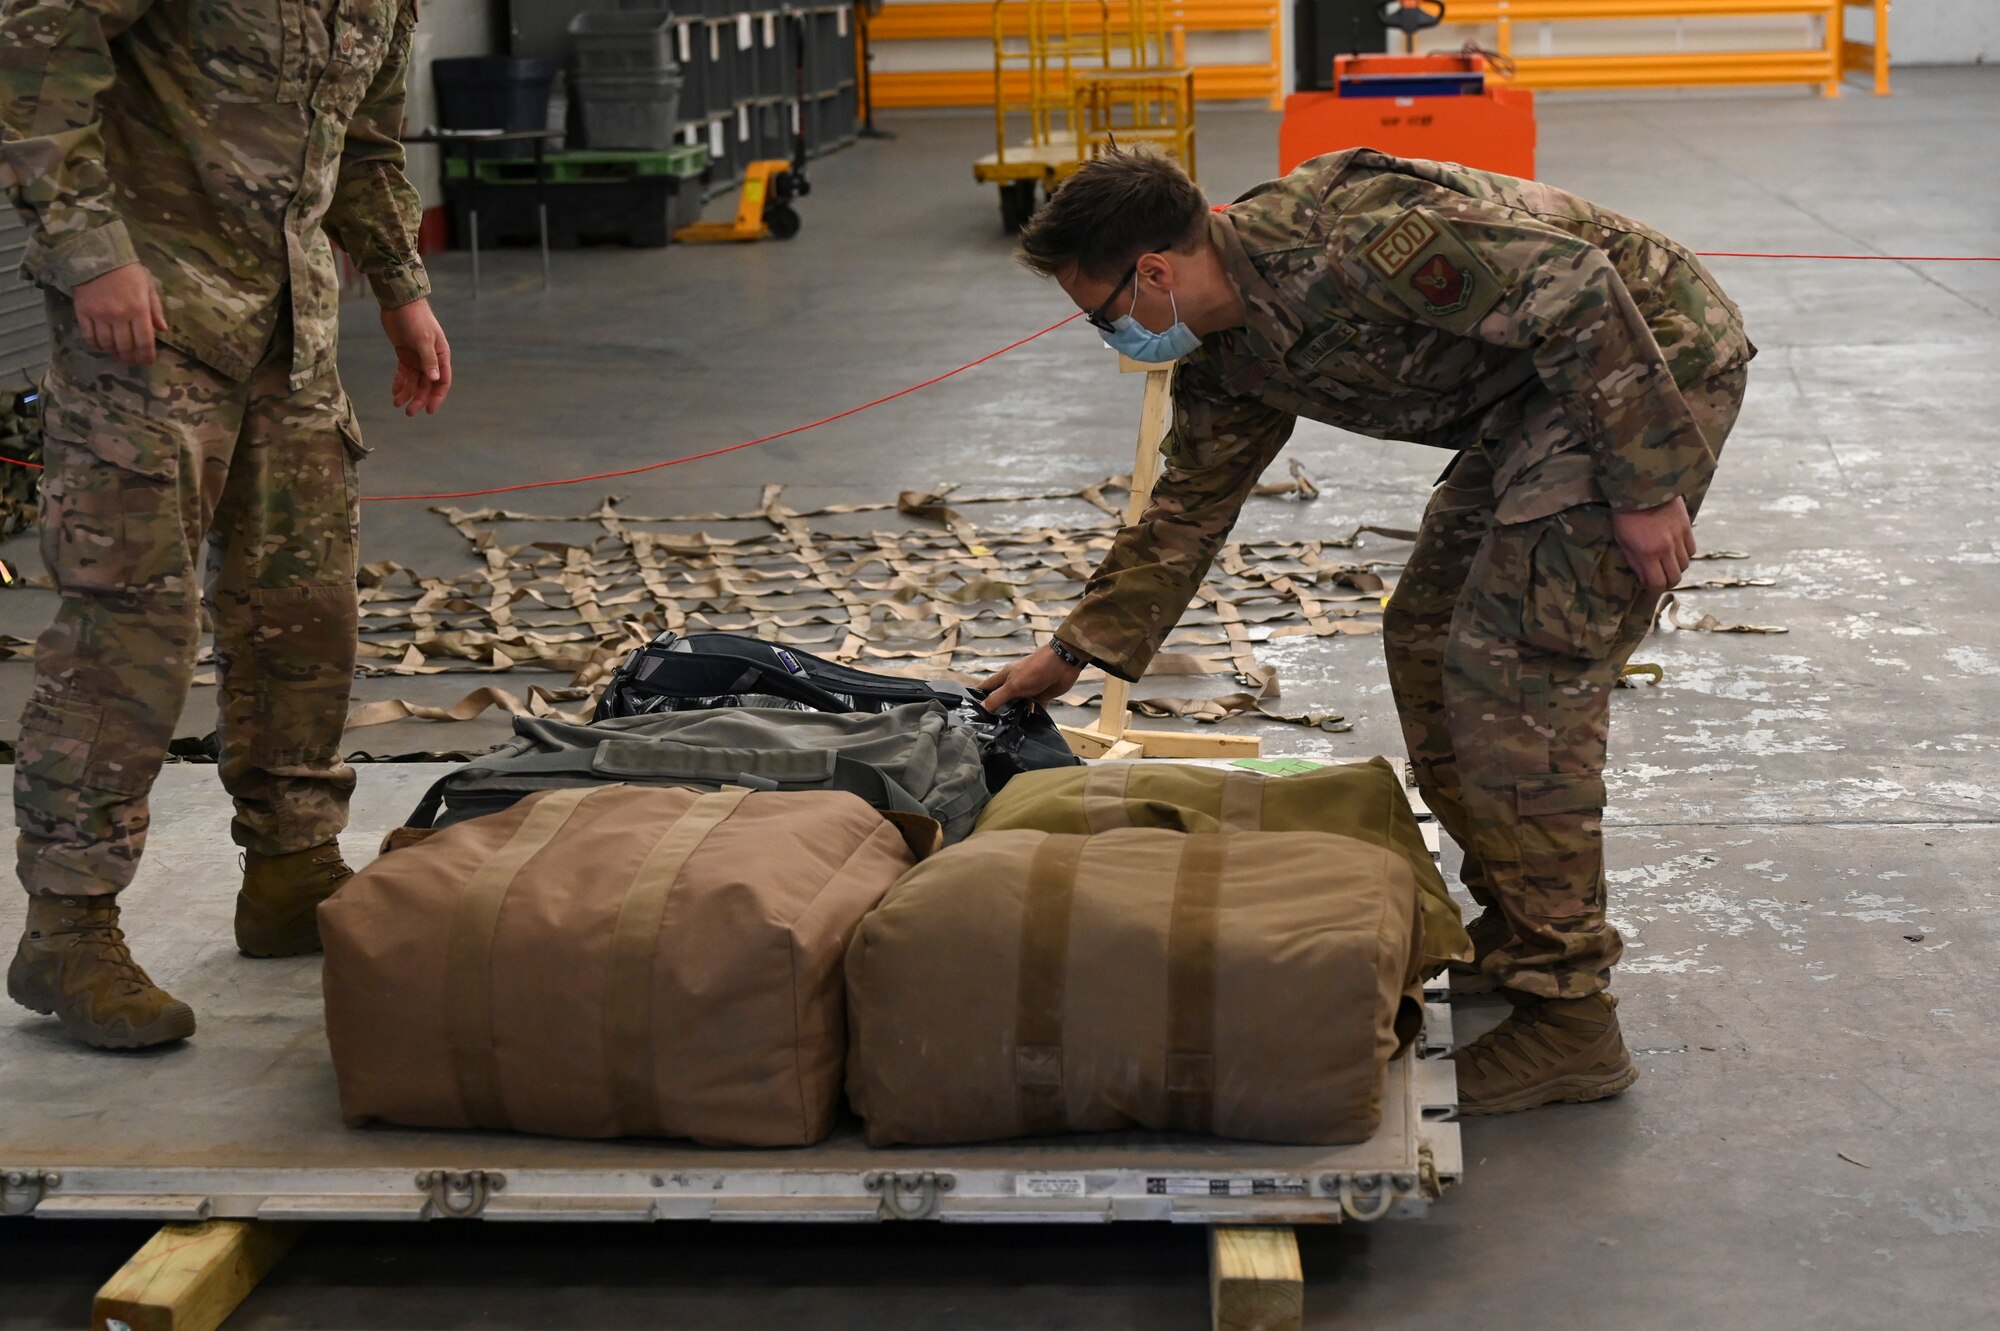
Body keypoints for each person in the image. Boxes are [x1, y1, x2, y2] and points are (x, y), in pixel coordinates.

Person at [982, 147, 1753, 1115]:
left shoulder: (1348, 243)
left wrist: (1641, 486)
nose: (1106, 337)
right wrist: (1068, 653)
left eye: (1102, 315)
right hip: (1537, 398)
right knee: (1425, 635)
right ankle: (1519, 930)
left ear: (1152, 273)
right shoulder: (1225, 354)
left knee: (1513, 672)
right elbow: (1184, 511)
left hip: (1644, 362)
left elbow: (1579, 292)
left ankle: (1569, 1017)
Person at [0, 0, 450, 1050]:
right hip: (152, 321)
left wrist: (399, 286)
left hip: (291, 330)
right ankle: (67, 925)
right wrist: (90, 250)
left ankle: (291, 870)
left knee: (303, 608)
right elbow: (35, 43)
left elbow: (368, 136)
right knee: (131, 630)